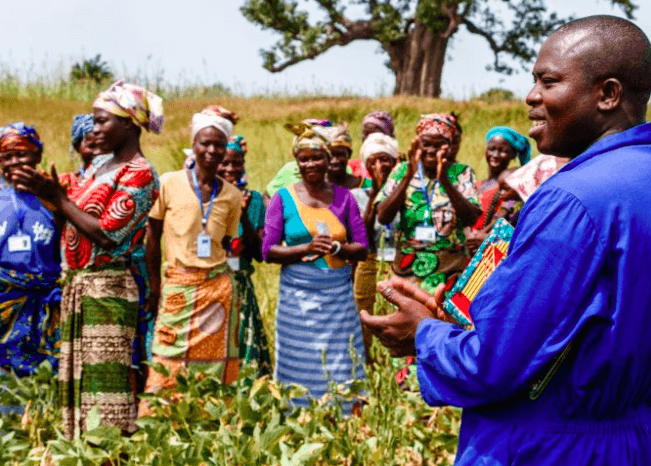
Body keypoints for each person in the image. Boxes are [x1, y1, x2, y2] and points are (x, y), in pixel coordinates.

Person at [361, 15, 651, 465]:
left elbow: (493, 366)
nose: (531, 96)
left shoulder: (571, 200)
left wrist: (424, 334)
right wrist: (461, 321)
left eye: (548, 81)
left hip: (550, 445)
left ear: (608, 95)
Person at [13, 80, 163, 439]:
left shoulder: (139, 173)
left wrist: (59, 198)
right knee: (79, 388)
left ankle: (107, 455)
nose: (94, 130)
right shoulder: (99, 167)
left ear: (128, 122)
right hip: (80, 287)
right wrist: (45, 193)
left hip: (108, 290)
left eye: (101, 121)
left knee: (104, 390)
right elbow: (73, 219)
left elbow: (107, 234)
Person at [263, 123, 368, 411]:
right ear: (296, 162)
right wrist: (305, 249)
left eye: (317, 157)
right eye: (304, 158)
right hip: (297, 298)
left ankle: (345, 417)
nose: (311, 163)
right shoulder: (282, 198)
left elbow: (362, 248)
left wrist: (337, 248)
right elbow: (268, 251)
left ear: (328, 158)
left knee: (341, 359)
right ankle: (298, 418)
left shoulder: (344, 198)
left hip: (338, 296)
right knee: (298, 360)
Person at [143, 110, 242, 406]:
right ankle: (158, 424)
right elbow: (152, 236)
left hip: (217, 292)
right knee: (166, 358)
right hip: (178, 286)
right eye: (205, 143)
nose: (212, 151)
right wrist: (155, 285)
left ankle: (207, 426)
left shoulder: (233, 195)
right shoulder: (169, 183)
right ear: (194, 144)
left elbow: (227, 243)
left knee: (214, 363)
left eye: (218, 145)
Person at [376, 113, 481, 295]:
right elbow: (383, 215)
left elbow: (471, 218)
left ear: (449, 146)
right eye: (427, 144)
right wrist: (409, 175)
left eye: (439, 144)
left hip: (449, 273)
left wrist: (445, 182)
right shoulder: (401, 171)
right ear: (418, 144)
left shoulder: (462, 173)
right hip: (407, 272)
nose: (432, 150)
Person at [0, 124, 61, 416]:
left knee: (46, 371)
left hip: (46, 302)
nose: (14, 163)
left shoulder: (53, 195)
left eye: (22, 155)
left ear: (37, 157)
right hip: (4, 302)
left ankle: (43, 432)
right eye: (7, 156)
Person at [216, 134, 271, 376]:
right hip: (209, 285)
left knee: (243, 355)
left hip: (240, 286)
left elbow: (259, 253)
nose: (230, 169)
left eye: (236, 163)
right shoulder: (203, 197)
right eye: (224, 162)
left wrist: (244, 216)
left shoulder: (254, 199)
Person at [350, 133, 399, 361]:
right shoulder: (357, 196)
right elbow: (364, 235)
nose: (380, 165)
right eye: (373, 162)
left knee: (395, 321)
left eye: (385, 159)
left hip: (397, 265)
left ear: (394, 162)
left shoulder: (405, 195)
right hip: (369, 264)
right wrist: (375, 194)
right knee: (365, 322)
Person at [472, 126, 531, 230]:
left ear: (513, 155)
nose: (495, 155)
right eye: (491, 149)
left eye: (502, 150)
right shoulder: (476, 184)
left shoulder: (511, 190)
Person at [59, 114, 102, 191]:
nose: (98, 152)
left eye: (104, 146)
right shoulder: (63, 183)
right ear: (77, 147)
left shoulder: (119, 180)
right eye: (92, 146)